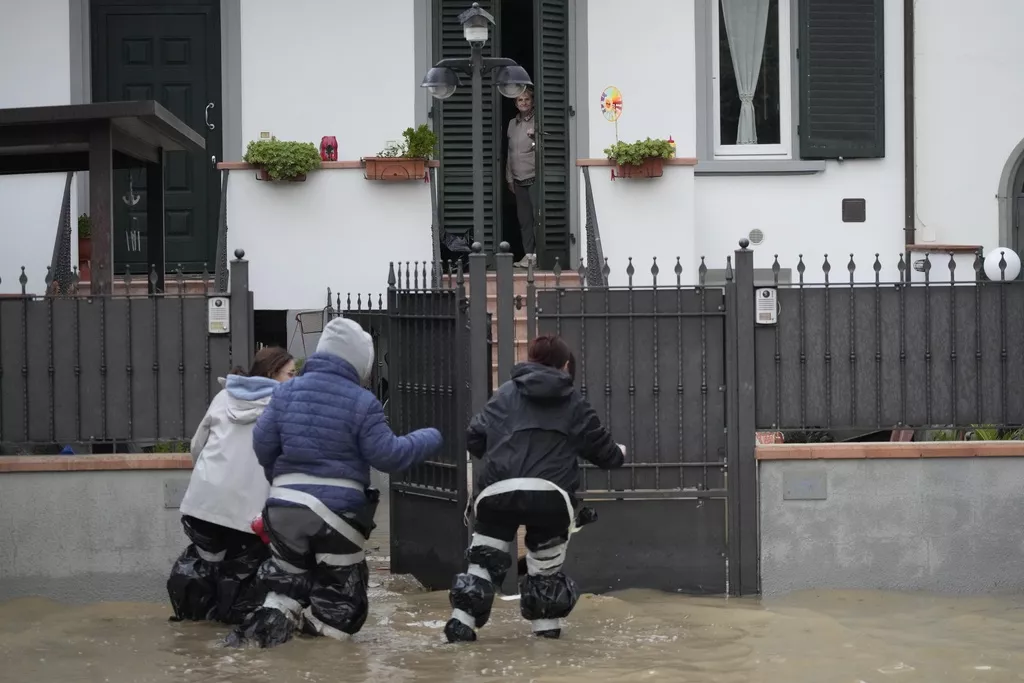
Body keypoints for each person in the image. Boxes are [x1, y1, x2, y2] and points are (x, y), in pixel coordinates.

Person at [226, 316, 444, 648]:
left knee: (283, 588)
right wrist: (430, 437)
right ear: (359, 361)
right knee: (342, 602)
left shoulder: (285, 394)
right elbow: (389, 456)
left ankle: (257, 648)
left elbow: (262, 442)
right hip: (337, 516)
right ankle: (327, 659)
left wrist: (280, 482)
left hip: (284, 511)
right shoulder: (363, 402)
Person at [445, 335, 625, 643]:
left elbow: (474, 436)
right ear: (566, 365)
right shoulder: (573, 402)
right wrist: (619, 453)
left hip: (496, 491)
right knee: (545, 568)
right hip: (550, 497)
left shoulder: (504, 394)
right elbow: (604, 452)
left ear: (530, 358)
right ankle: (546, 639)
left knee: (483, 564)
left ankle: (461, 627)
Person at [167, 346, 296, 625]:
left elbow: (197, 446)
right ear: (273, 373)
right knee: (242, 581)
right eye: (290, 373)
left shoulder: (224, 397)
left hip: (204, 503)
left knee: (207, 567)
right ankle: (230, 639)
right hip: (248, 514)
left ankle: (195, 630)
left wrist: (209, 476)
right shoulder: (284, 406)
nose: (294, 380)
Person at [506, 86, 537, 268]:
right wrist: (509, 178)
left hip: (534, 177)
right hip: (517, 179)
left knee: (537, 219)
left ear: (532, 102)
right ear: (515, 103)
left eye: (527, 99)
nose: (524, 102)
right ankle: (529, 256)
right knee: (524, 220)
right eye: (520, 100)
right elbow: (509, 153)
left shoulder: (538, 121)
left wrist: (536, 137)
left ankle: (540, 254)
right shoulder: (512, 123)